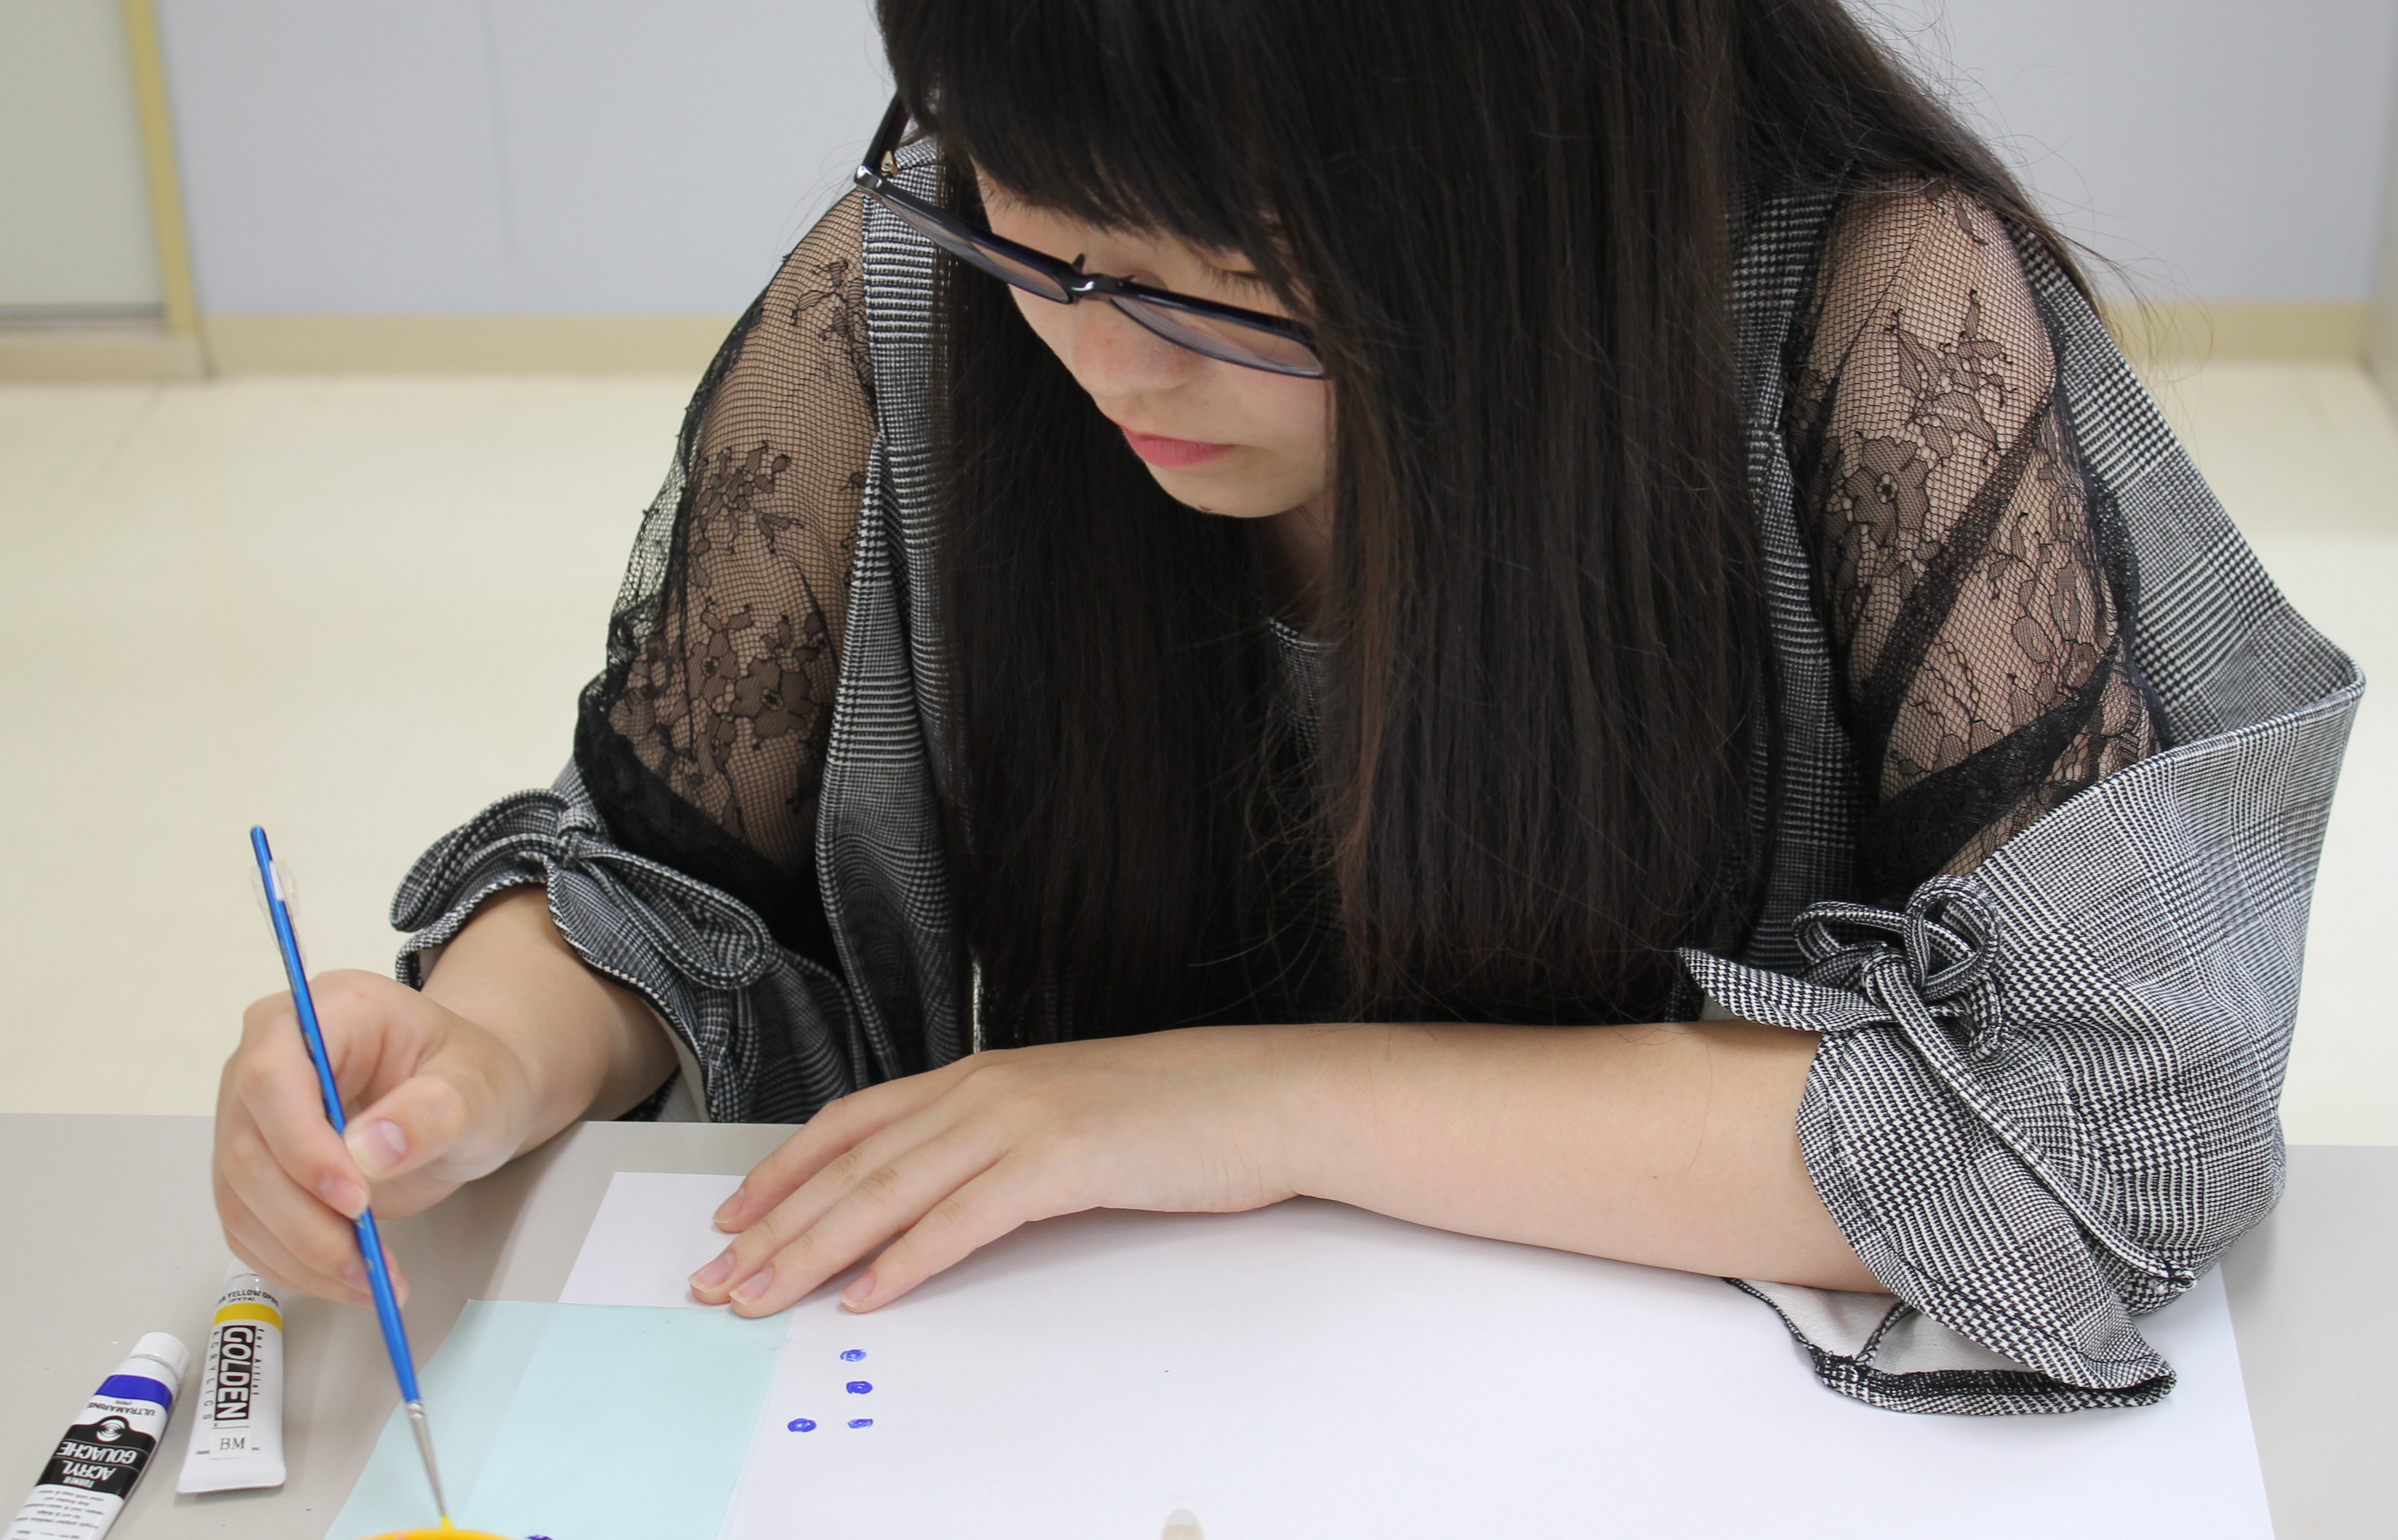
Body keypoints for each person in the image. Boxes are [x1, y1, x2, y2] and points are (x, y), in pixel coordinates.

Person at [212, 0, 2357, 1414]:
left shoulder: (1870, 319)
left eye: (1227, 275)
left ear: (1529, 158)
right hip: (1088, 1442)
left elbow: (2111, 1110)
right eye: (1038, 223)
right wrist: (477, 1057)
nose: (1106, 356)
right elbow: (663, 884)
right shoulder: (925, 296)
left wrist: (1240, 1105)